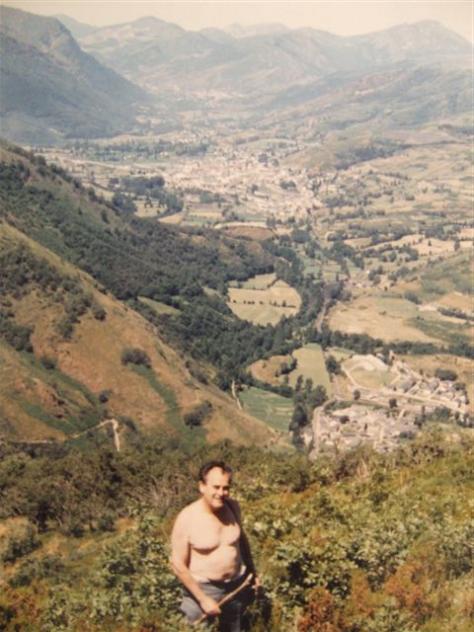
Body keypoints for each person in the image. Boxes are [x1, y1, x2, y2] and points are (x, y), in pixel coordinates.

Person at [170, 460, 260, 630]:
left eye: (225, 488)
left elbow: (242, 541)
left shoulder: (233, 507)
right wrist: (203, 599)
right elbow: (177, 564)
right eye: (216, 487)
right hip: (202, 591)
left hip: (236, 587)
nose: (221, 493)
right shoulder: (187, 518)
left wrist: (252, 571)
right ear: (202, 486)